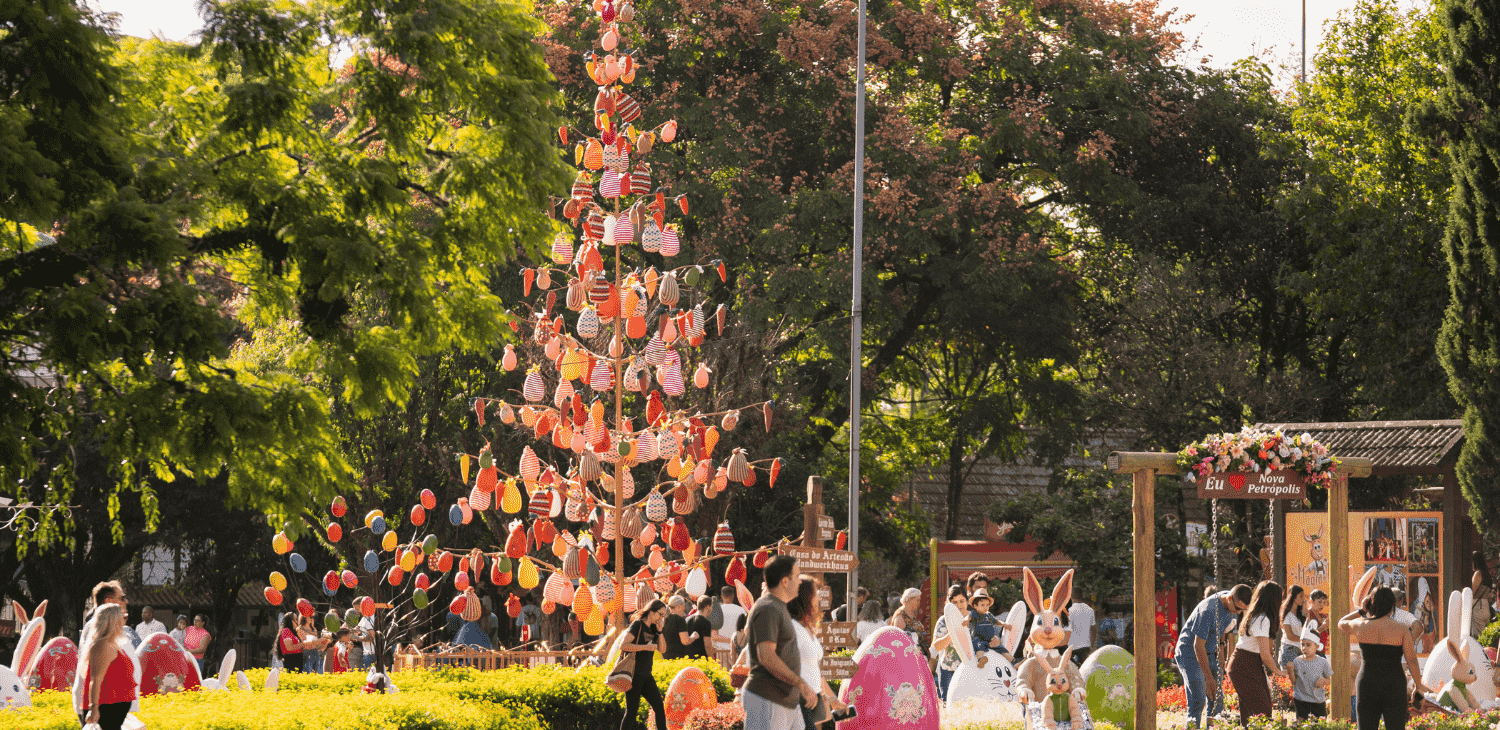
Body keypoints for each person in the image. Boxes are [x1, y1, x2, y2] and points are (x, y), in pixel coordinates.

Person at [1339, 586, 1429, 730]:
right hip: (1394, 684)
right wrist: (1418, 686)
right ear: (1392, 606)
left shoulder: (1361, 625)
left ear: (1370, 604)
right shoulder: (1401, 629)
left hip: (1367, 683)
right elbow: (1411, 659)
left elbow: (1341, 623)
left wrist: (1362, 611)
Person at [745, 554, 816, 730]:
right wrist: (799, 682)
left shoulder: (777, 606)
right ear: (784, 581)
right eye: (797, 576)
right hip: (767, 698)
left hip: (783, 700)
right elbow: (766, 655)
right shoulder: (768, 608)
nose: (800, 582)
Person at [1174, 583, 1251, 729]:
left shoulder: (1231, 600)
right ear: (1229, 599)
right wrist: (1208, 678)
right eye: (1238, 609)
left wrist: (1221, 653)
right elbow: (1198, 646)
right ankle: (1192, 726)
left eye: (1242, 610)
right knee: (1198, 699)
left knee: (1217, 699)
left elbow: (1221, 627)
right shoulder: (1208, 611)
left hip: (1209, 651)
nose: (1238, 613)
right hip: (1189, 652)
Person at [787, 576, 849, 729]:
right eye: (815, 593)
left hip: (809, 703)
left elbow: (815, 670)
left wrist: (834, 701)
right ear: (804, 597)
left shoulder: (807, 628)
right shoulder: (790, 627)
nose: (818, 598)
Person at [73, 582, 141, 720]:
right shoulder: (98, 629)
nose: (126, 601)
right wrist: (94, 708)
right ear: (108, 601)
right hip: (105, 706)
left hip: (113, 705)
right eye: (121, 598)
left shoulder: (114, 632)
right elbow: (95, 677)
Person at [1228, 580, 1286, 725]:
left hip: (1246, 663)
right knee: (1262, 712)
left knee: (1252, 711)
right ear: (1274, 599)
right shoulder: (1262, 619)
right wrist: (1278, 671)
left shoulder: (1256, 615)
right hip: (1244, 664)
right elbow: (1265, 654)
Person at [619, 599, 669, 730]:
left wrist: (660, 630)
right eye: (660, 614)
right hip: (634, 674)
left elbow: (662, 649)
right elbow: (623, 645)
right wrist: (644, 647)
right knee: (631, 712)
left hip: (647, 675)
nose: (661, 618)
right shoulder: (637, 625)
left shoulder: (654, 628)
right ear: (651, 612)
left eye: (664, 616)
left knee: (659, 707)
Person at [928, 584, 968, 701]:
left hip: (969, 669)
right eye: (955, 603)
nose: (959, 605)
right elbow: (937, 646)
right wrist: (953, 631)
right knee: (948, 703)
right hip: (947, 670)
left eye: (962, 601)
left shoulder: (974, 618)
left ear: (967, 601)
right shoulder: (944, 620)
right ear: (949, 604)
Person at [1291, 627, 1332, 720]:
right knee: (1302, 725)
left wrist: (1324, 680)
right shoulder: (1297, 661)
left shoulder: (1323, 662)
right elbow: (1294, 682)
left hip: (1318, 701)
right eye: (1302, 645)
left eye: (1308, 645)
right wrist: (1290, 671)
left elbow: (1331, 680)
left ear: (1317, 646)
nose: (1304, 648)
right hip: (1300, 700)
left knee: (1320, 725)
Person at [968, 589, 1005, 660]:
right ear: (975, 606)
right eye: (982, 605)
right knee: (980, 646)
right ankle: (980, 659)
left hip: (989, 638)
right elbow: (968, 617)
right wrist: (966, 620)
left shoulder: (989, 615)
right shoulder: (974, 614)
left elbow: (997, 621)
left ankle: (1013, 660)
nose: (985, 607)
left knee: (1001, 648)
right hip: (979, 638)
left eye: (987, 605)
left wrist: (1004, 624)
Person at [1279, 585, 1307, 670]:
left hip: (1299, 650)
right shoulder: (1287, 614)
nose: (1303, 599)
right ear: (1293, 597)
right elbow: (1290, 636)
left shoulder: (1298, 615)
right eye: (1300, 596)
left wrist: (1306, 614)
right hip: (1289, 649)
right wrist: (1305, 640)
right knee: (1290, 681)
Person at [1067, 595, 1096, 667]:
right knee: (1085, 671)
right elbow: (1093, 629)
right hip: (1085, 647)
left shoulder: (1068, 610)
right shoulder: (1089, 610)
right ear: (1082, 597)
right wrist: (1091, 645)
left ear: (1071, 597)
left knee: (1071, 671)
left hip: (1070, 648)